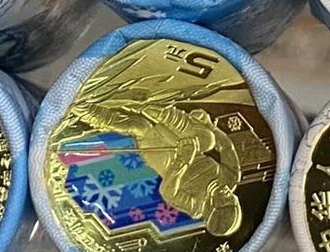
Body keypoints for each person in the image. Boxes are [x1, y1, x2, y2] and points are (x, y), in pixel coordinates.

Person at [71, 94, 243, 236]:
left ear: (212, 209)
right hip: (191, 145)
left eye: (224, 203)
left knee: (140, 127)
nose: (228, 196)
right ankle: (152, 108)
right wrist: (210, 126)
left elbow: (168, 192)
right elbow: (226, 147)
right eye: (231, 201)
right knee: (208, 139)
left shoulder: (196, 207)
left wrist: (183, 160)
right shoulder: (230, 179)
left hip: (168, 162)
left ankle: (87, 111)